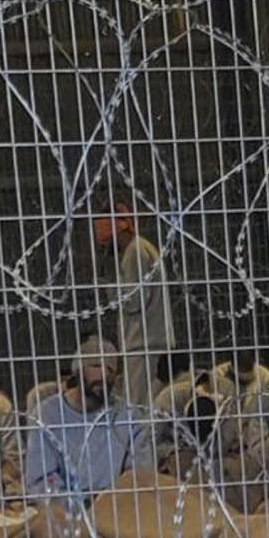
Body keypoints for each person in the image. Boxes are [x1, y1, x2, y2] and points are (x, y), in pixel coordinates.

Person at [24, 336, 141, 502]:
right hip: (64, 515)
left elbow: (140, 476)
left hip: (116, 510)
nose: (104, 374)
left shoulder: (128, 417)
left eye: (110, 368)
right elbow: (40, 480)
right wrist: (79, 504)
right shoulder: (47, 414)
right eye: (96, 365)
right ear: (78, 370)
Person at [94, 202, 173, 416]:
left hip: (143, 343)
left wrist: (109, 287)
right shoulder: (142, 248)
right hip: (151, 341)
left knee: (138, 410)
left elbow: (134, 301)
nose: (105, 248)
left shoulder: (134, 252)